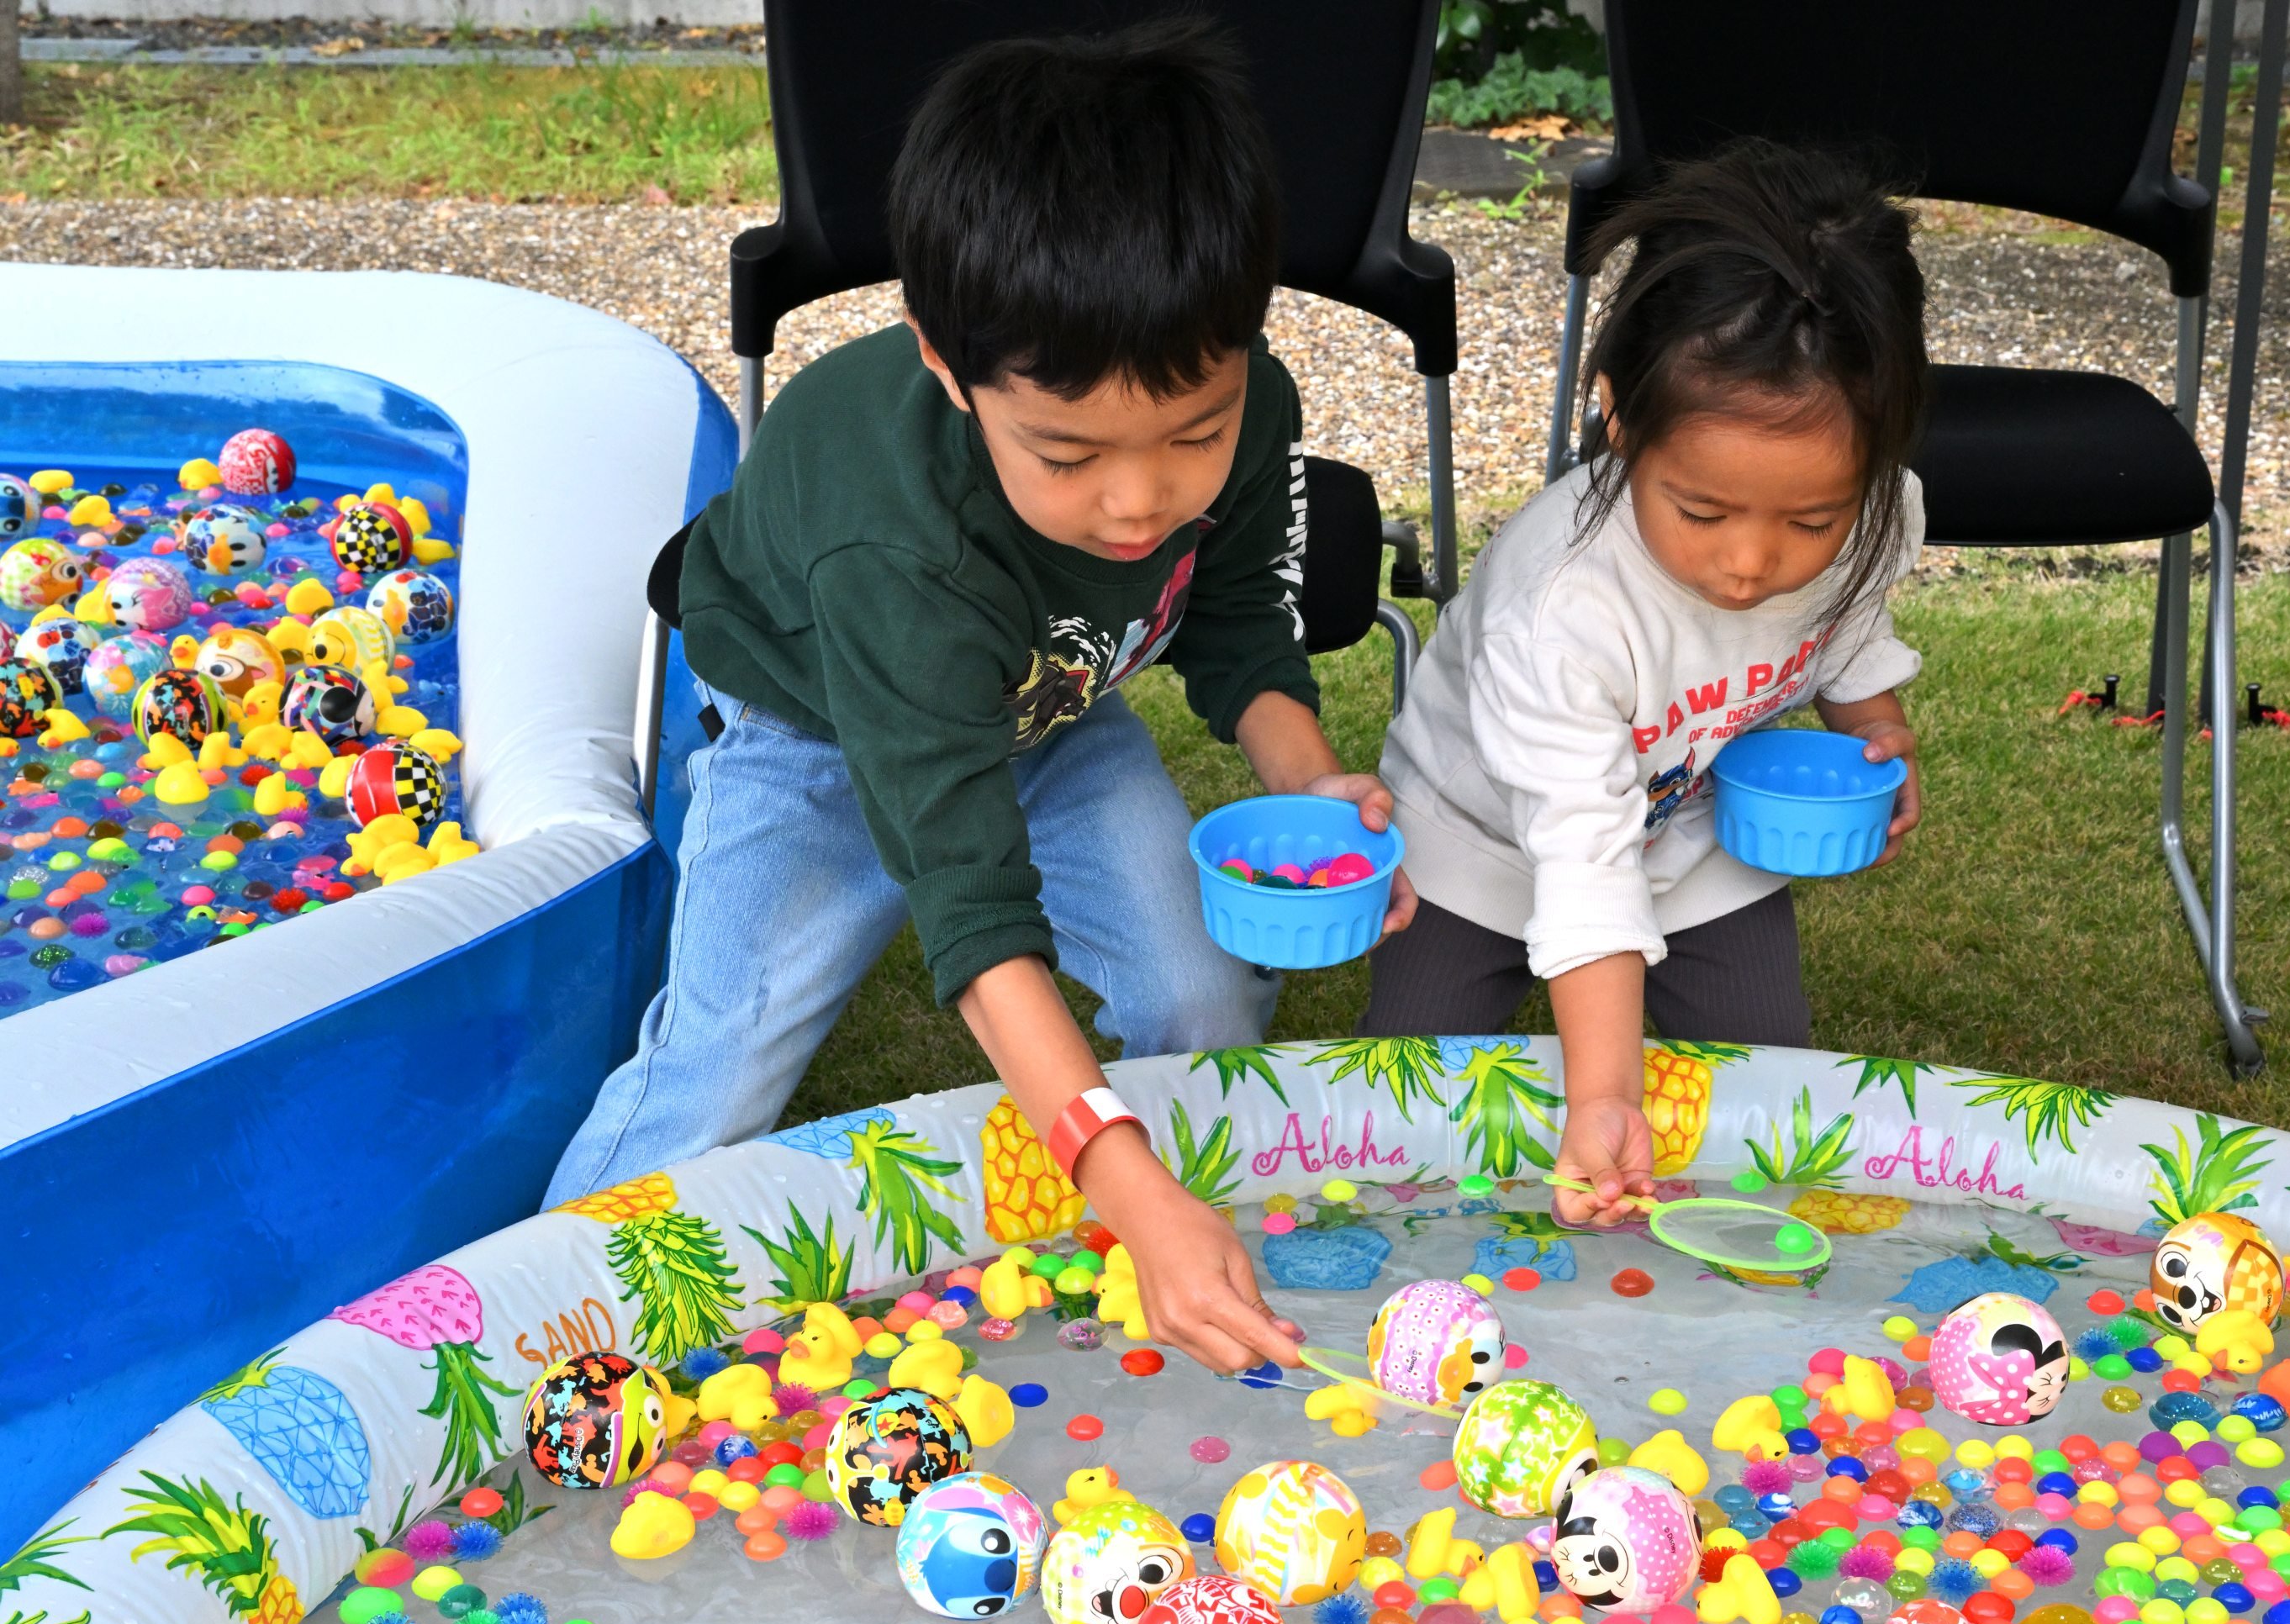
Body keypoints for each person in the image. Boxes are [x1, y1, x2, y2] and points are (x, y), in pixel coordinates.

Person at [546, 19, 1411, 1375]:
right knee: (715, 1073)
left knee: (1202, 1001)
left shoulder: (1251, 409)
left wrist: (1312, 784)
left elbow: (1239, 625)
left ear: (1242, 343)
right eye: (1067, 453)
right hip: (817, 730)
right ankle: (549, 1329)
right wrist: (1125, 1191)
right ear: (947, 365)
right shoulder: (897, 550)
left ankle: (1176, 1239)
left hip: (1044, 709)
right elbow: (970, 905)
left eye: (1193, 433)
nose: (1139, 501)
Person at [1367, 142, 1928, 1229]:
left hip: (1691, 824)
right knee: (1419, 1110)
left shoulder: (1876, 510)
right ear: (1622, 424)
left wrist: (1874, 723)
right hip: (1476, 837)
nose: (1753, 564)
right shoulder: (1566, 606)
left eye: (1812, 521)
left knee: (1767, 1093)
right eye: (1704, 512)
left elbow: (1849, 626)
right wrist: (1607, 1094)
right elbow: (1582, 856)